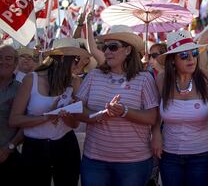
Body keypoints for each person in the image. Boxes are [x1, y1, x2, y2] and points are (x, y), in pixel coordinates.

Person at [75, 25, 159, 186]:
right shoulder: (93, 75)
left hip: (134, 163)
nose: (107, 52)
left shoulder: (144, 78)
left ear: (128, 50)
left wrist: (124, 111)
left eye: (113, 47)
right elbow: (77, 110)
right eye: (105, 47)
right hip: (95, 161)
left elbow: (152, 117)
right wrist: (101, 115)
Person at [9, 38, 88, 186]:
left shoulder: (75, 82)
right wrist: (47, 116)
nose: (78, 64)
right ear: (63, 58)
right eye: (76, 59)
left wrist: (67, 116)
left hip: (66, 146)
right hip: (35, 149)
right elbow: (14, 119)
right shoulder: (31, 79)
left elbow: (75, 124)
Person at [151, 30, 208, 186]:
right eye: (183, 55)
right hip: (169, 155)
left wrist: (195, 66)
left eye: (194, 53)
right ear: (172, 61)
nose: (191, 59)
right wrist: (156, 132)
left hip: (202, 155)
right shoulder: (162, 79)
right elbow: (156, 110)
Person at [0, 45, 24, 185]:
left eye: (8, 59)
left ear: (15, 63)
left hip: (7, 157)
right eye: (0, 58)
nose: (3, 62)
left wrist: (8, 148)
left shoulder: (21, 89)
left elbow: (25, 125)